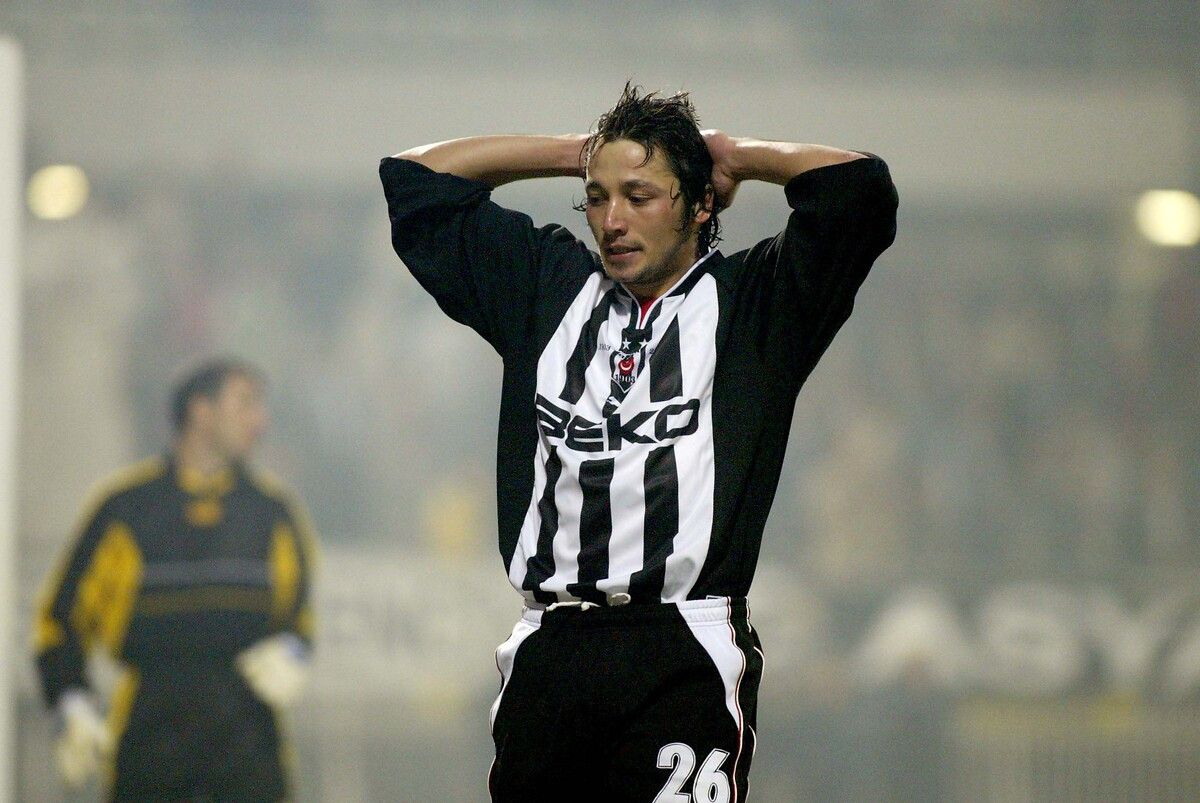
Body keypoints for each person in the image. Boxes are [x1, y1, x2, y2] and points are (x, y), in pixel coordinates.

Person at [379, 83, 897, 801]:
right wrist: (575, 154)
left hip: (681, 649)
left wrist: (738, 157)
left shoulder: (756, 306)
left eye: (640, 195)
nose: (613, 220)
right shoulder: (545, 286)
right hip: (552, 647)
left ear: (700, 204)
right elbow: (414, 181)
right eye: (597, 198)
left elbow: (860, 191)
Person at [33, 358, 318, 801]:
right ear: (200, 411)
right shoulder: (128, 509)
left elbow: (298, 616)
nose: (260, 421)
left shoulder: (271, 512)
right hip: (150, 744)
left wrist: (295, 651)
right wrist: (71, 699)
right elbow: (60, 621)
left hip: (249, 749)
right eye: (245, 403)